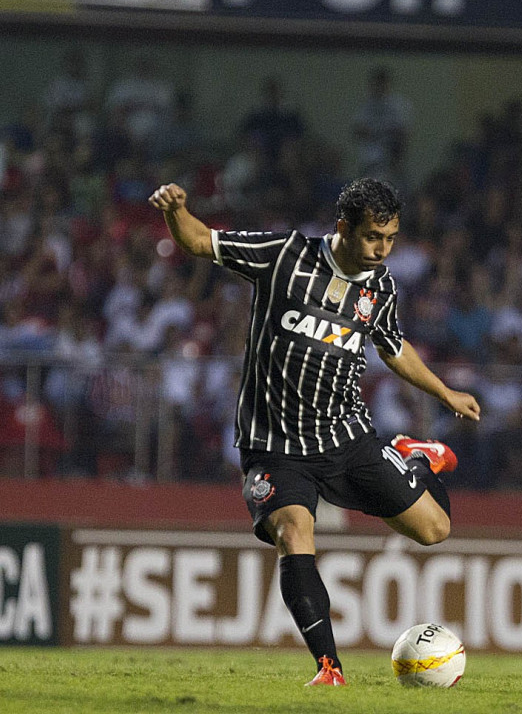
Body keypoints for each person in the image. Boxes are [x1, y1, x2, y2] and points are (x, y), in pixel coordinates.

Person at [149, 176, 480, 686]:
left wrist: (443, 393)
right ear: (344, 228)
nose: (382, 249)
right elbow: (198, 241)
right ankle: (330, 667)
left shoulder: (380, 286)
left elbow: (393, 348)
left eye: (391, 238)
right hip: (275, 446)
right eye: (373, 236)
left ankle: (416, 457)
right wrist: (175, 210)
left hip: (347, 440)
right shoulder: (284, 255)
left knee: (436, 531)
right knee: (293, 531)